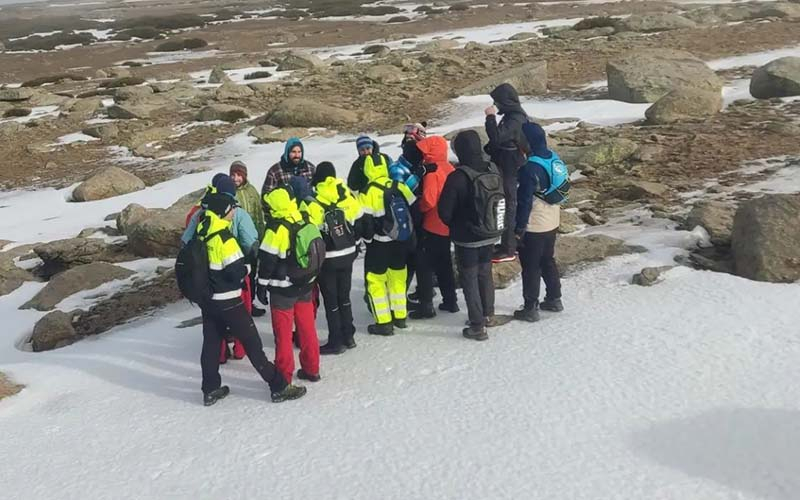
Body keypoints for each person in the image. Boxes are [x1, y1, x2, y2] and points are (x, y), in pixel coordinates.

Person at [193, 190, 306, 405]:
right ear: (223, 211)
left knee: (210, 344)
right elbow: (235, 272)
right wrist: (247, 266)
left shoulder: (203, 231)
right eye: (231, 208)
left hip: (209, 301)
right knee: (252, 343)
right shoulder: (224, 238)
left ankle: (210, 389)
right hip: (229, 300)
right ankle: (278, 386)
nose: (234, 211)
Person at [182, 174, 259, 362]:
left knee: (213, 320)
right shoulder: (237, 213)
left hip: (206, 276)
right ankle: (240, 349)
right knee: (242, 312)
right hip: (234, 270)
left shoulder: (201, 212)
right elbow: (251, 241)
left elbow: (186, 240)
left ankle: (220, 354)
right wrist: (247, 260)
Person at [439, 130, 503, 341]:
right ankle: (488, 315)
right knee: (485, 273)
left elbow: (445, 213)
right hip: (491, 231)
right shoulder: (493, 168)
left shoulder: (458, 176)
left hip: (466, 238)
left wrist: (457, 225)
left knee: (469, 278)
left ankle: (477, 325)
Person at [256, 186, 321, 383]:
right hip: (305, 283)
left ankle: (284, 376)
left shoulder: (277, 228)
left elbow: (267, 261)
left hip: (283, 290)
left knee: (283, 335)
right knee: (307, 329)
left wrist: (261, 285)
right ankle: (312, 369)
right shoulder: (304, 217)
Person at [301, 162, 364, 355]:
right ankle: (349, 335)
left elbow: (308, 230)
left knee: (331, 300)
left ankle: (336, 341)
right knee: (344, 297)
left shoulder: (311, 200)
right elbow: (359, 216)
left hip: (328, 257)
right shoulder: (344, 192)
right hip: (348, 252)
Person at [357, 151, 416, 336]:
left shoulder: (367, 191)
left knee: (375, 282)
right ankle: (400, 316)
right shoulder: (398, 184)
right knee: (398, 278)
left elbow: (364, 222)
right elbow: (412, 204)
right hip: (401, 240)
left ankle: (383, 322)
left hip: (379, 243)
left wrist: (366, 240)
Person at [513, 122, 564, 322]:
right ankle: (554, 298)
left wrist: (519, 229)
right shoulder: (552, 157)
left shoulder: (529, 167)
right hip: (553, 218)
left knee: (531, 266)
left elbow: (525, 201)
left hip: (535, 223)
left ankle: (530, 307)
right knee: (547, 259)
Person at [405, 136, 458, 319]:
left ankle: (426, 305)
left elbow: (428, 200)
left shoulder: (431, 172)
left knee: (424, 265)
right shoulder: (449, 167)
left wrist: (418, 208)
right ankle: (451, 301)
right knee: (444, 264)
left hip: (432, 224)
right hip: (448, 224)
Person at [484, 83, 530, 263]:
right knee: (507, 203)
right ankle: (508, 243)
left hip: (510, 165)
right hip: (508, 162)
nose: (495, 104)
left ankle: (509, 248)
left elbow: (496, 137)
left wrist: (490, 118)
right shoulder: (514, 115)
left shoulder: (515, 118)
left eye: (497, 101)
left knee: (509, 204)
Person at [229, 161, 267, 317]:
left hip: (252, 240)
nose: (236, 178)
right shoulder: (229, 192)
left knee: (251, 274)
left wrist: (261, 235)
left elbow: (258, 215)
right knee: (238, 275)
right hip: (236, 242)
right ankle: (239, 306)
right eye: (233, 175)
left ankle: (249, 303)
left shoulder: (251, 191)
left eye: (239, 175)